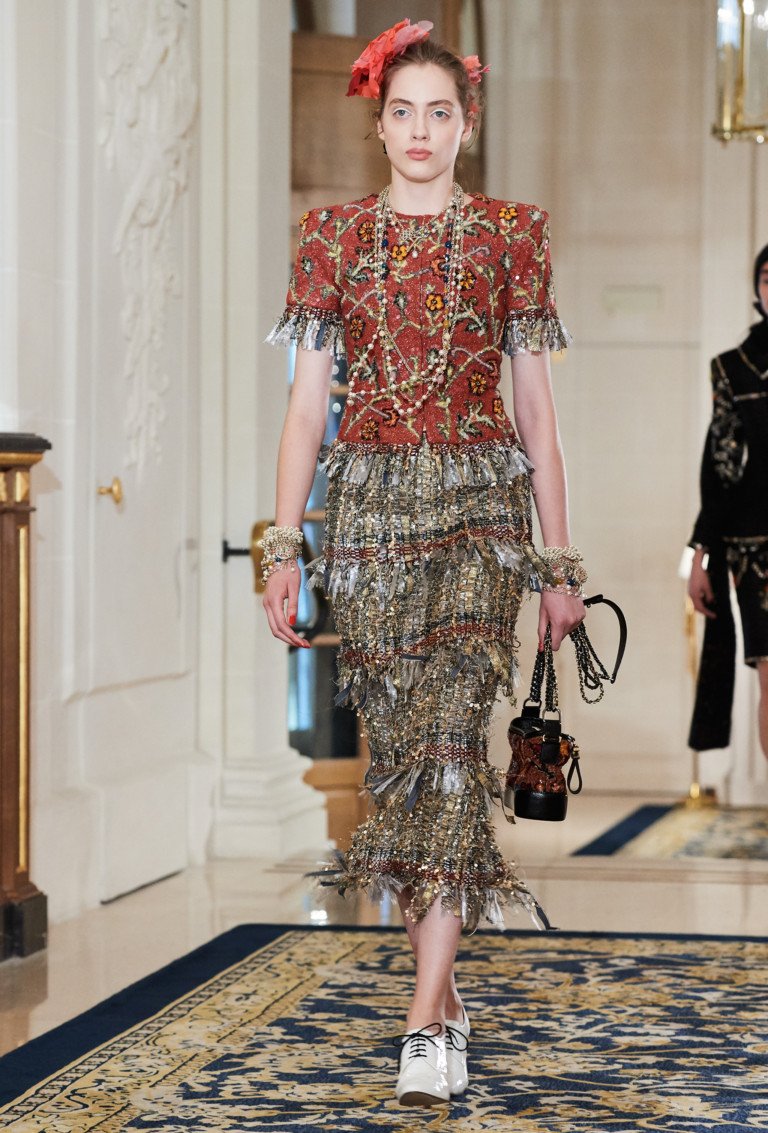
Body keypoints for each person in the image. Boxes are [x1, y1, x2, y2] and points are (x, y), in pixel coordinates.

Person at [263, 19, 585, 1108]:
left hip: (480, 521)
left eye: (438, 112)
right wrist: (284, 545)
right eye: (401, 111)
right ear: (379, 124)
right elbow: (305, 410)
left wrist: (556, 563)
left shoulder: (511, 237)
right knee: (403, 771)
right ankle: (442, 1000)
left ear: (465, 124)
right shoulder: (330, 239)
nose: (418, 130)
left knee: (450, 753)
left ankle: (419, 1020)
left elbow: (537, 414)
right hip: (368, 528)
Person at [687, 246, 768, 761]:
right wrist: (700, 556)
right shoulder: (734, 368)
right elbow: (720, 466)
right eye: (767, 277)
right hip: (754, 547)